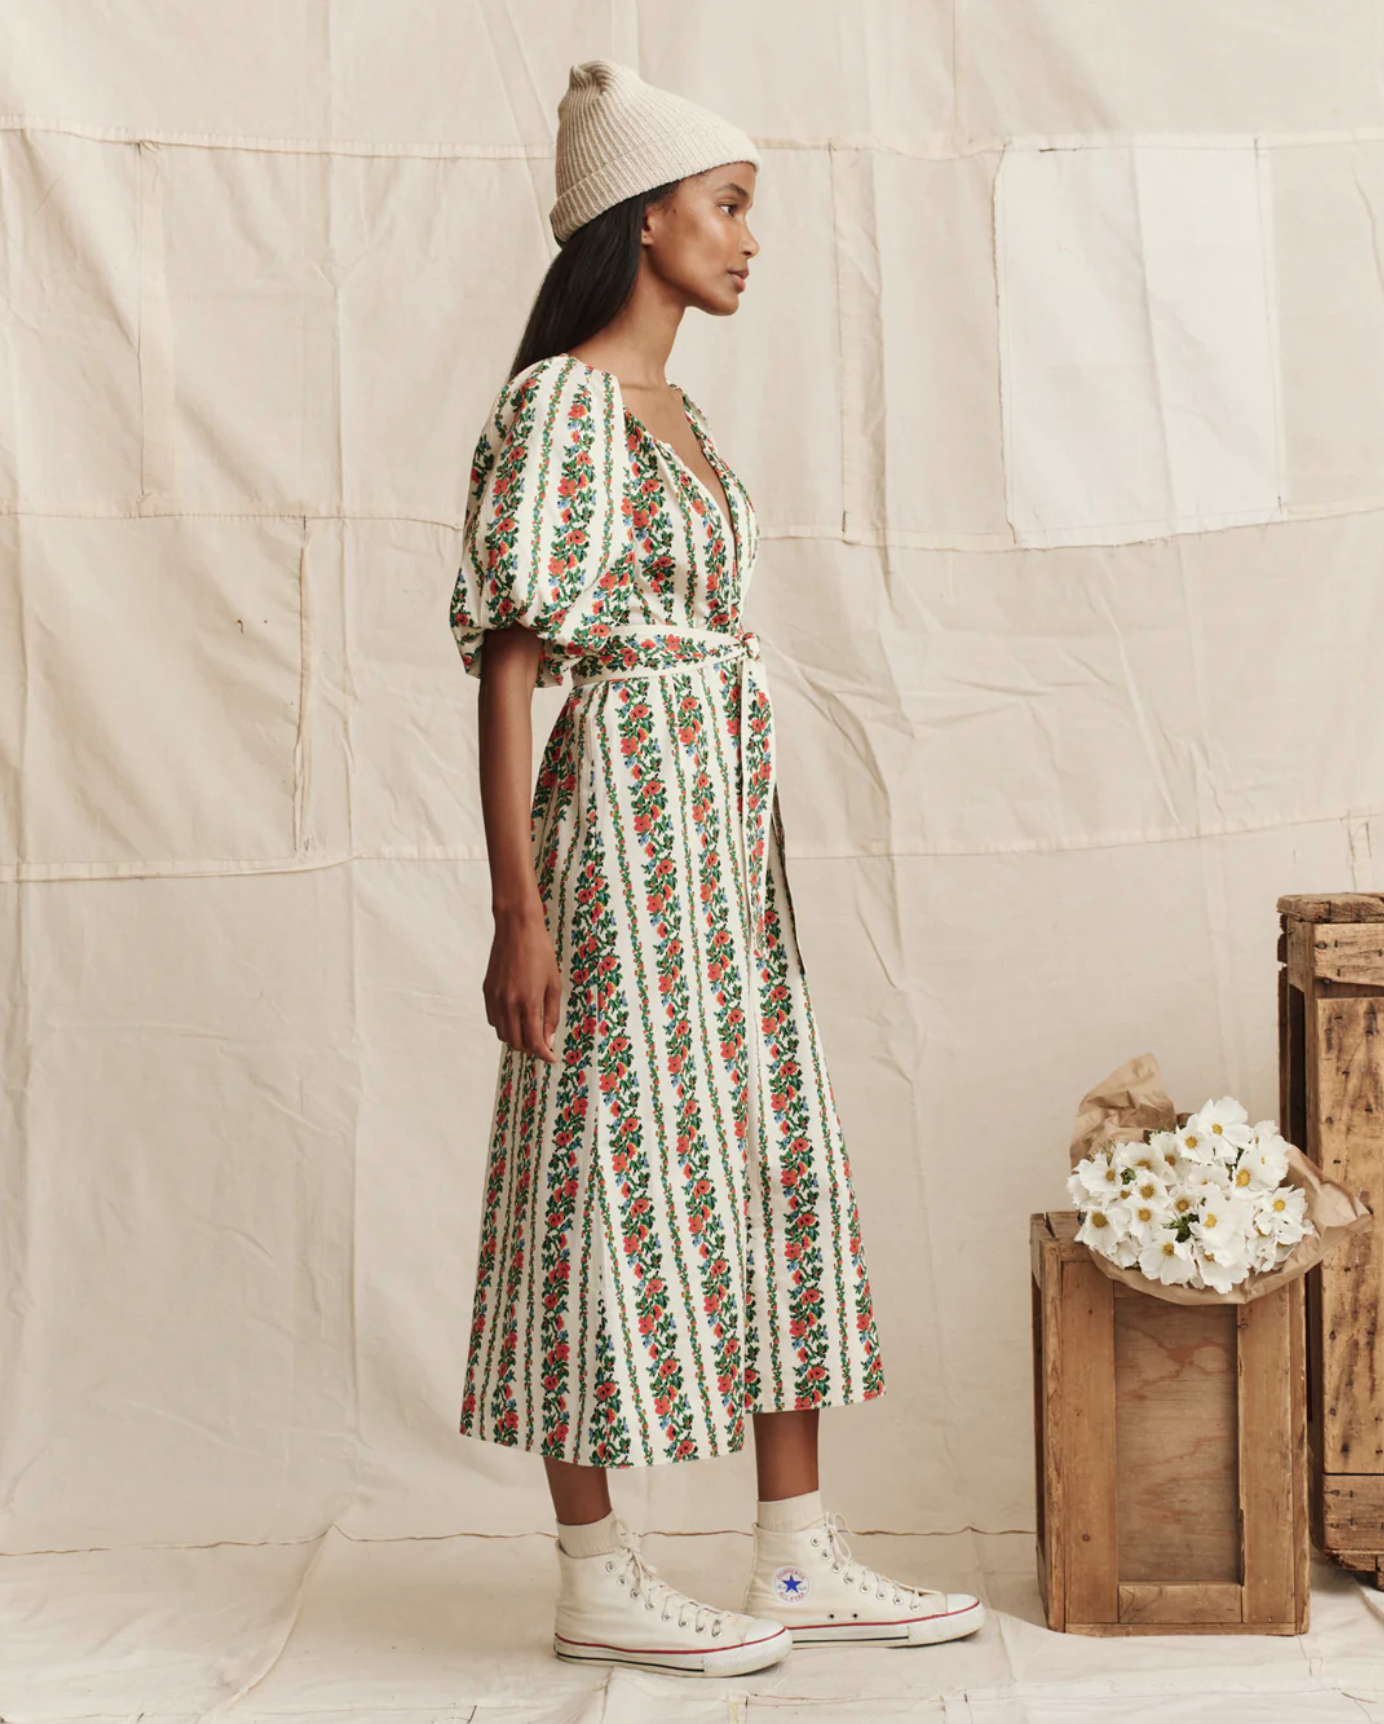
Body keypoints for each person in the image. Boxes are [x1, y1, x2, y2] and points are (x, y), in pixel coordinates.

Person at [448, 58, 985, 1677]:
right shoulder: (562, 405)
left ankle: (798, 1556)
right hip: (615, 824)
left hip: (725, 839)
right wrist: (517, 910)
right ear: (643, 219)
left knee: (769, 1142)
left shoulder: (686, 420)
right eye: (730, 207)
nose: (752, 241)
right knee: (600, 1161)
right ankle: (596, 1571)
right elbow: (512, 661)